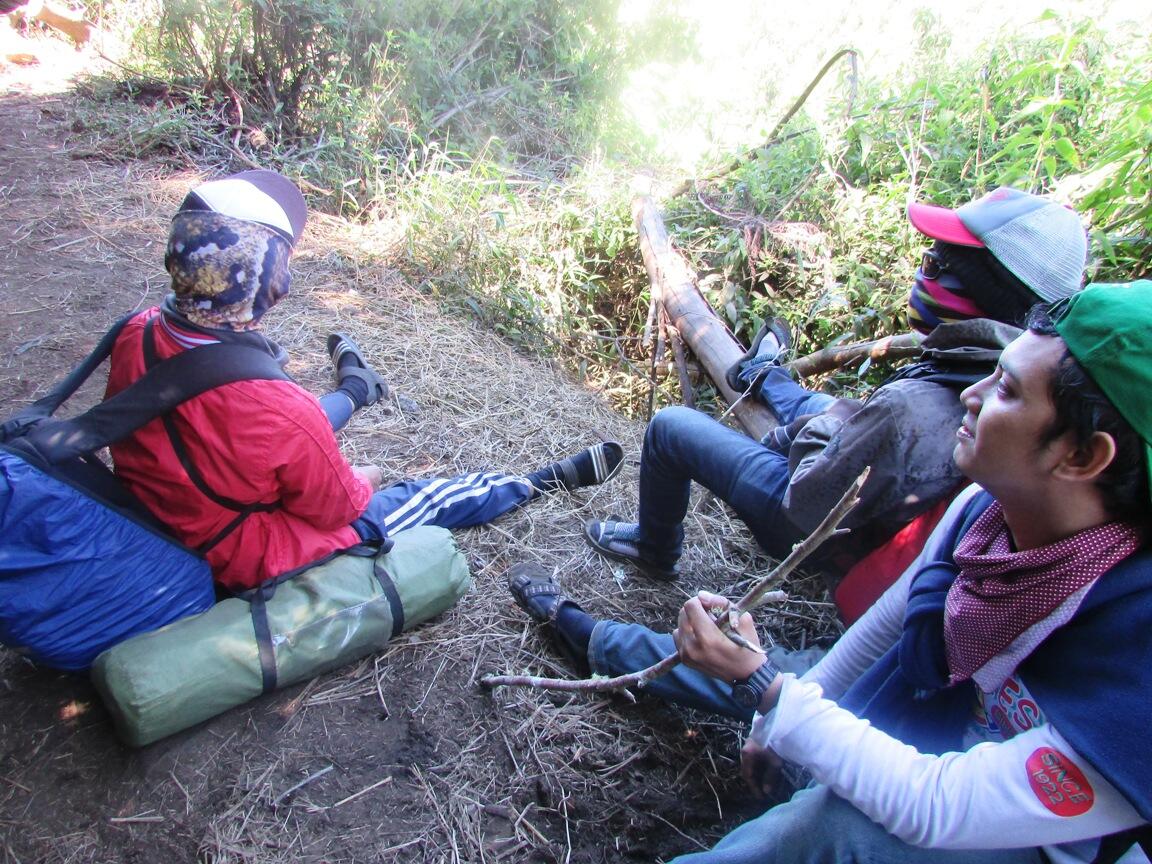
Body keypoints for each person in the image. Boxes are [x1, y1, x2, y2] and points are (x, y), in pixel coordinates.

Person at [507, 281, 1152, 864]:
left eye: (1007, 390)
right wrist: (771, 719)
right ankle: (588, 635)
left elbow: (936, 805)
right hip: (930, 711)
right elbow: (884, 631)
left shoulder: (1135, 643)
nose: (975, 394)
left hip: (1012, 832)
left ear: (1083, 455)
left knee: (829, 828)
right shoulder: (984, 510)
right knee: (794, 685)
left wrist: (765, 688)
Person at [105, 169, 624, 592]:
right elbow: (337, 506)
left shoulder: (136, 330)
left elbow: (241, 432)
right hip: (241, 551)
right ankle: (537, 482)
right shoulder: (278, 408)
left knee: (294, 428)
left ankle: (357, 388)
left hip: (163, 515)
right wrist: (366, 477)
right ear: (269, 283)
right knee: (417, 499)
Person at [584, 187, 1088, 583]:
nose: (921, 271)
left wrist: (806, 432)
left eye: (934, 264)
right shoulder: (1012, 382)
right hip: (878, 506)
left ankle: (654, 549)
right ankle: (768, 372)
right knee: (817, 400)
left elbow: (808, 495)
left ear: (977, 292)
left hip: (811, 528)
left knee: (671, 426)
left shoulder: (909, 405)